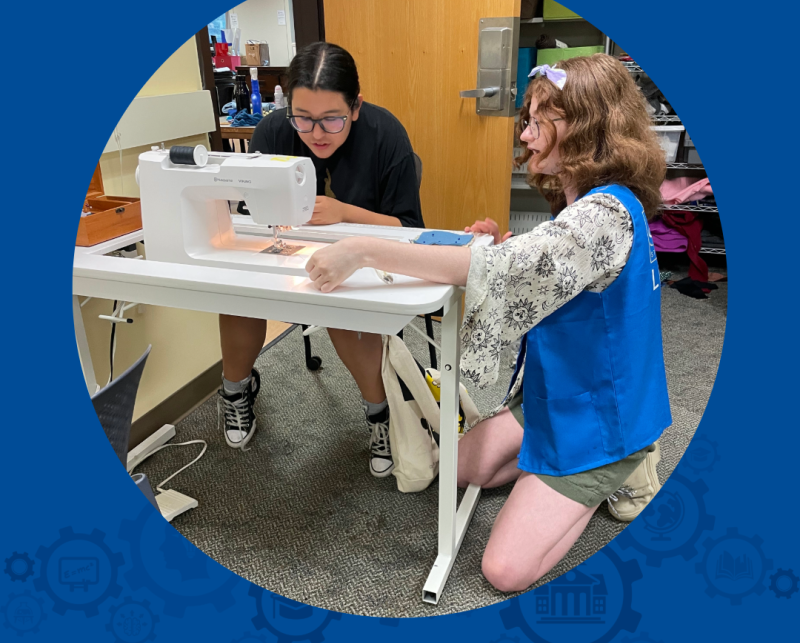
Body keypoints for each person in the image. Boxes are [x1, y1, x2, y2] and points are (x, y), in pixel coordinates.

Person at [302, 54, 672, 593]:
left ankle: (609, 477)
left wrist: (361, 250)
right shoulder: (590, 204)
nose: (526, 134)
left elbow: (498, 272)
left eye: (540, 122)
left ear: (586, 127)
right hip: (557, 396)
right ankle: (553, 475)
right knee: (454, 469)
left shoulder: (602, 216)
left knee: (503, 571)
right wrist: (505, 248)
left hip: (600, 423)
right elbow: (548, 270)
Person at [218, 42, 424, 481]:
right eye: (303, 118)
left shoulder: (386, 136)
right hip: (290, 253)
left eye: (331, 118)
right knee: (236, 293)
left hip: (366, 258)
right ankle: (235, 390)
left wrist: (344, 213)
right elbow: (251, 213)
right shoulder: (272, 133)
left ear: (356, 106)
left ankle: (378, 413)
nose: (316, 133)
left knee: (343, 305)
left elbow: (409, 228)